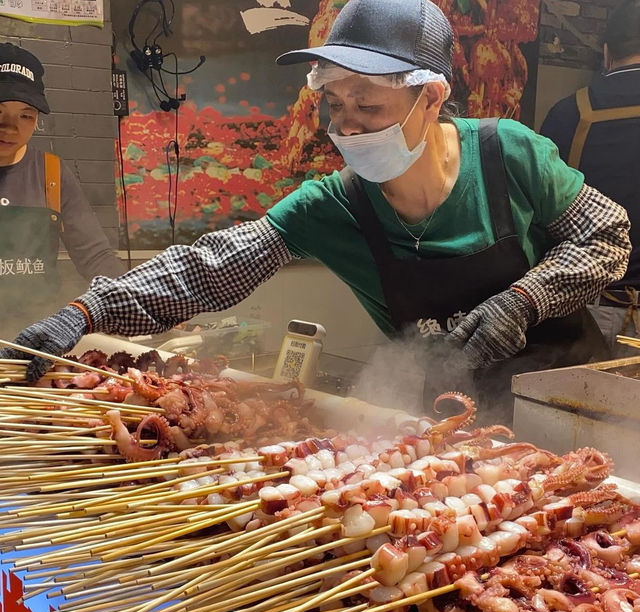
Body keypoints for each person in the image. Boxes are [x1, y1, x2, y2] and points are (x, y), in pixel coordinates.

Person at [0, 0, 631, 424]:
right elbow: (205, 268)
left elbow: (607, 235)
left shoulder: (508, 152)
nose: (347, 125)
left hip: (575, 403)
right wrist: (87, 311)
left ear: (431, 96)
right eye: (334, 103)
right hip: (453, 416)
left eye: (369, 104)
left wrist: (521, 302)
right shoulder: (336, 203)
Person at [0, 42, 124, 338]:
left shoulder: (52, 174)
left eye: (25, 115)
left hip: (39, 338)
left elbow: (95, 257)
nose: (9, 127)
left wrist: (146, 297)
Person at [540, 0, 640, 359]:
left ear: (607, 52)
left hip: (582, 312)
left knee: (571, 413)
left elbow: (537, 222)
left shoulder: (569, 113)